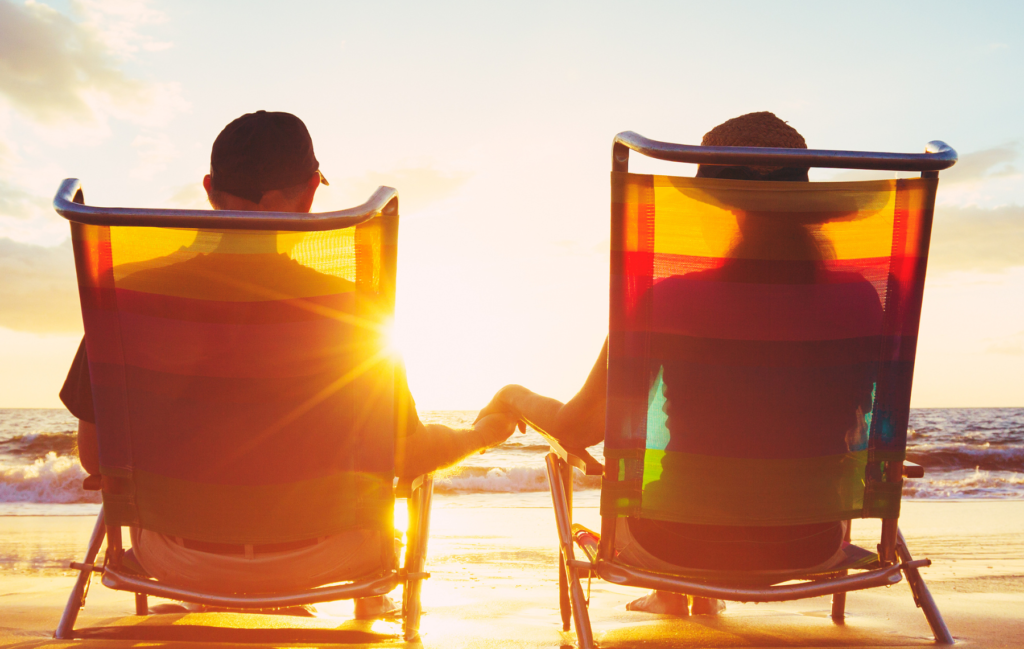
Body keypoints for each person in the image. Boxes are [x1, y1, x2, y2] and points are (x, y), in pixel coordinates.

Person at [61, 110, 517, 615]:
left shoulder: (128, 301)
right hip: (329, 558)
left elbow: (96, 456)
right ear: (309, 195)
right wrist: (483, 433)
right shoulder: (355, 312)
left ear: (210, 189)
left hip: (172, 560)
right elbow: (406, 457)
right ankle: (366, 608)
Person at [479, 112, 882, 616]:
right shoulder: (862, 300)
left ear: (723, 208)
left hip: (673, 542)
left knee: (673, 481)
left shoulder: (670, 300)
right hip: (812, 540)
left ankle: (674, 588)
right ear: (804, 205)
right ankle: (684, 594)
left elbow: (577, 428)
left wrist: (513, 395)